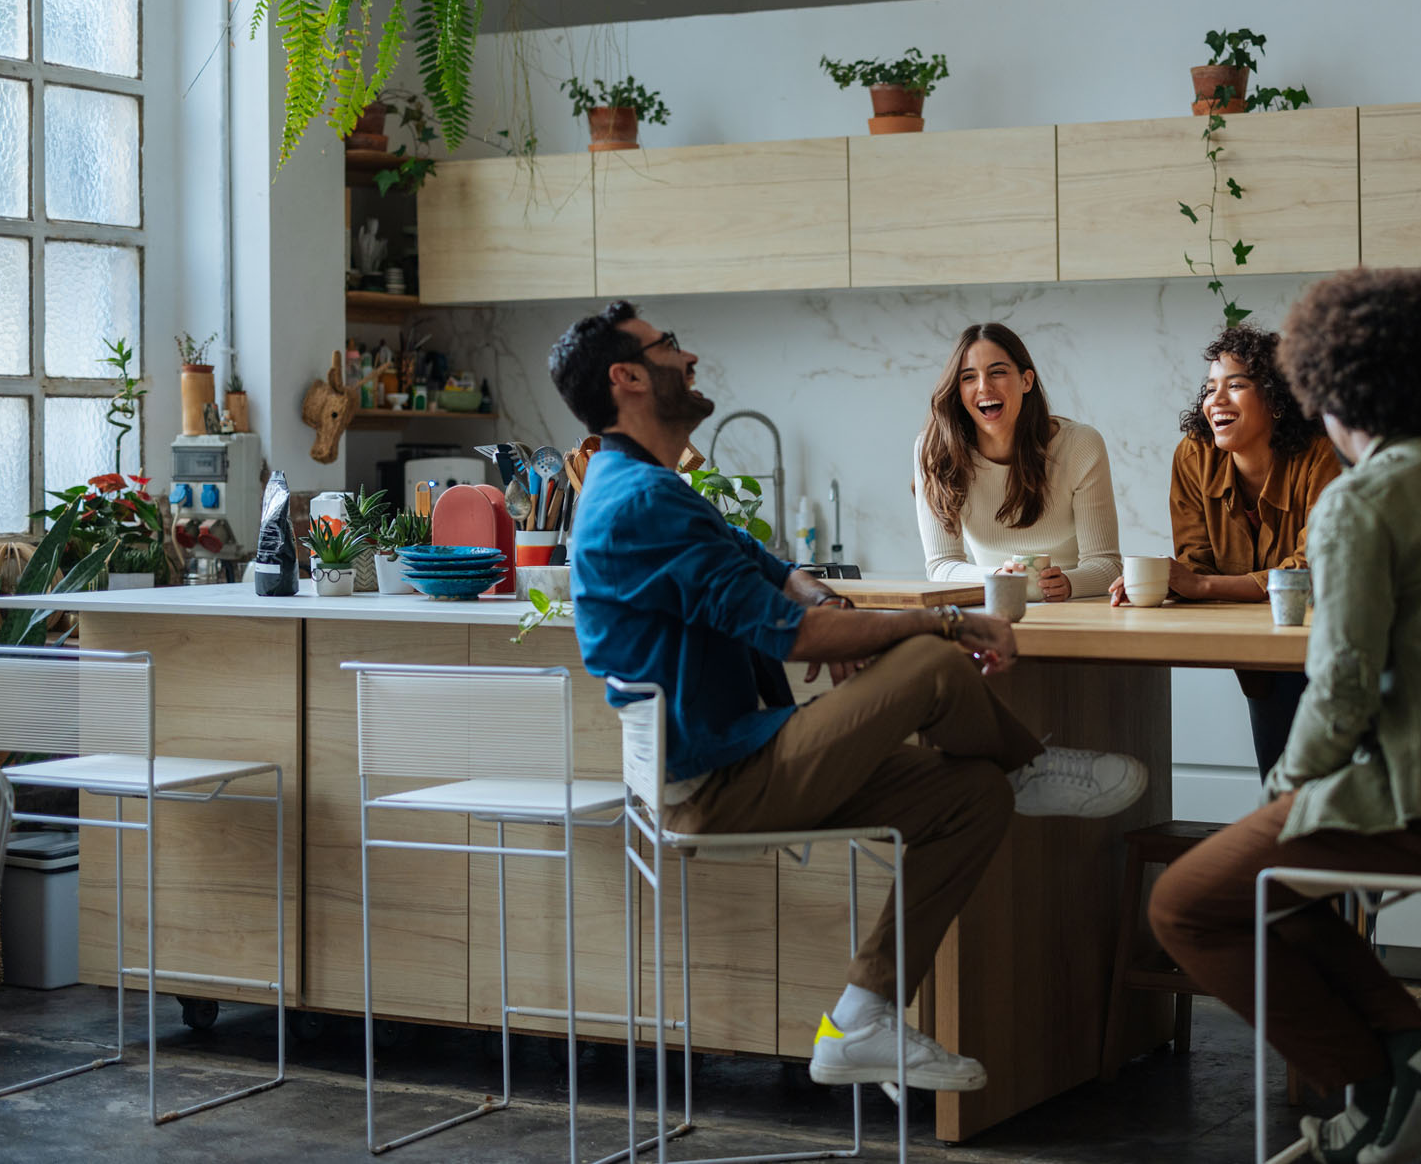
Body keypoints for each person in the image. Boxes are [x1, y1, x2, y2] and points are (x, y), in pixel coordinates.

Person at [550, 301, 1147, 1098]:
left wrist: (828, 604)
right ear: (627, 378)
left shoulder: (656, 487)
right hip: (713, 785)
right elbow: (787, 634)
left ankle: (860, 1018)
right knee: (934, 661)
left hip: (749, 754)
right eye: (667, 348)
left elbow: (774, 570)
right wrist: (943, 619)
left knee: (971, 799)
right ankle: (1029, 768)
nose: (689, 358)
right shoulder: (639, 502)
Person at [1147, 270, 1421, 1164]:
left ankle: (1380, 1077)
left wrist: (1287, 798)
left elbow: (1338, 684)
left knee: (1185, 905)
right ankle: (1413, 1049)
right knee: (1271, 884)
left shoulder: (1358, 499)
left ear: (1327, 391)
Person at [1110, 325, 1342, 777]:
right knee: (1283, 783)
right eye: (1211, 388)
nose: (1216, 400)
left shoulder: (1322, 456)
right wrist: (1164, 582)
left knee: (1308, 783)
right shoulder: (1194, 457)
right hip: (1258, 652)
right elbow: (1195, 560)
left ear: (1276, 399)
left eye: (1236, 385)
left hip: (1327, 646)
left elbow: (1312, 570)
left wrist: (1199, 585)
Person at [914, 323, 1121, 602]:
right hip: (992, 607)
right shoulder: (935, 451)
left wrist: (1069, 583)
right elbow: (940, 566)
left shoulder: (1080, 446)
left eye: (997, 372)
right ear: (958, 391)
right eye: (968, 377)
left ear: (1026, 381)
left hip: (1075, 607)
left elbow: (1107, 565)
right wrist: (997, 578)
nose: (984, 387)